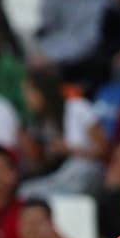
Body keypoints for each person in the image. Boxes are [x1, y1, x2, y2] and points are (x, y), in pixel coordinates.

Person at [17, 66, 106, 198]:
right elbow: (45, 164)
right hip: (61, 173)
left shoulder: (77, 107)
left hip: (86, 170)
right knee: (24, 191)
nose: (25, 98)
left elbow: (103, 150)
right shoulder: (39, 122)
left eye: (28, 92)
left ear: (42, 92)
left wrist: (69, 149)